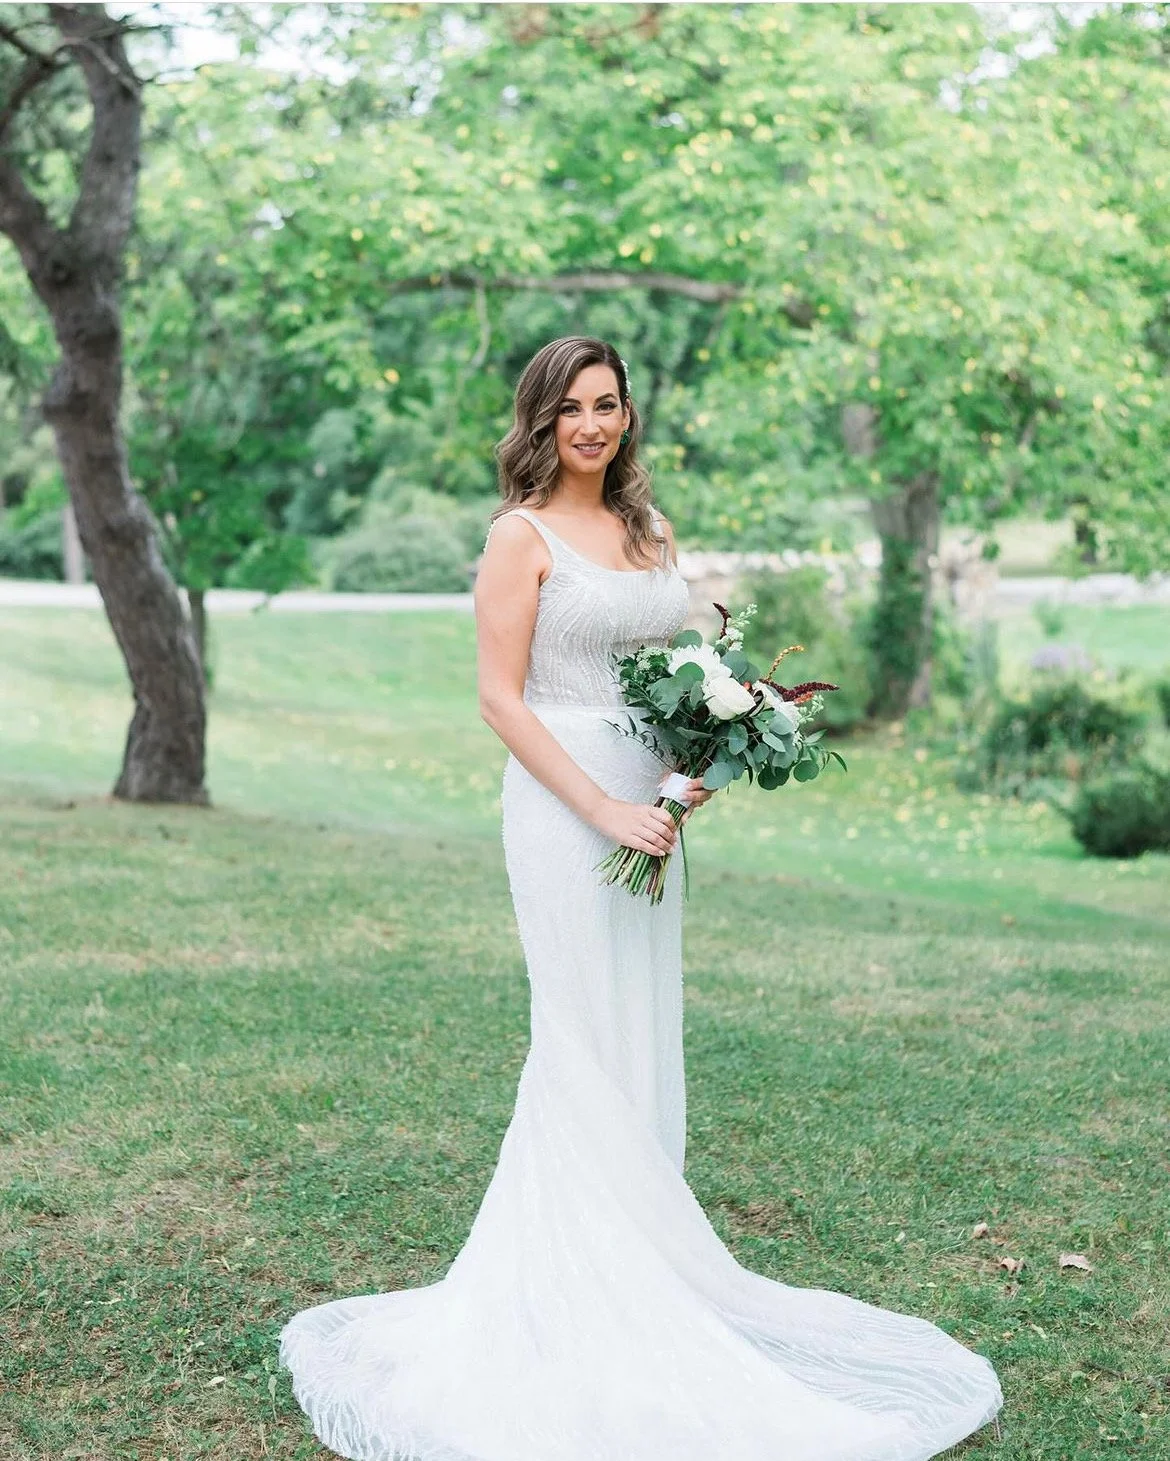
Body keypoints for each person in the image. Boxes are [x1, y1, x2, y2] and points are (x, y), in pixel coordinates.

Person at [278, 335, 1004, 1460]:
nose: (592, 425)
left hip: (652, 807)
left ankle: (648, 1263)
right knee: (576, 1036)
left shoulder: (648, 530)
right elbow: (500, 702)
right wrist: (603, 812)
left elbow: (686, 677)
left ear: (629, 414)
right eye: (570, 408)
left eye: (608, 404)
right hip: (564, 809)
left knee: (636, 1030)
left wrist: (699, 767)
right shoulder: (517, 538)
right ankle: (576, 1296)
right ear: (540, 420)